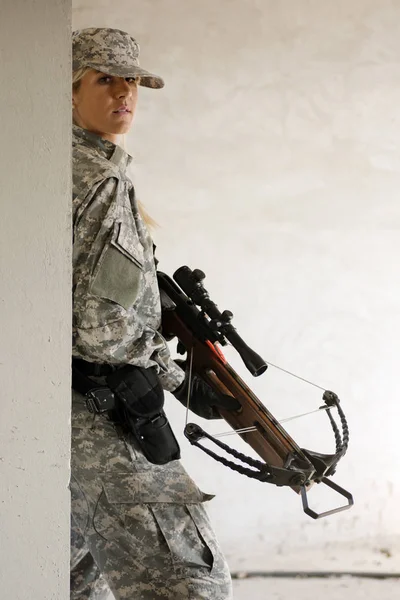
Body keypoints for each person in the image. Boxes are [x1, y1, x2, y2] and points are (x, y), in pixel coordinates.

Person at [70, 27, 238, 600]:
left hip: (53, 418)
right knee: (190, 583)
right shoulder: (98, 179)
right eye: (105, 79)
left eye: (134, 80)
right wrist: (174, 374)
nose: (126, 92)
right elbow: (100, 325)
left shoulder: (43, 168)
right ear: (68, 93)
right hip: (102, 418)